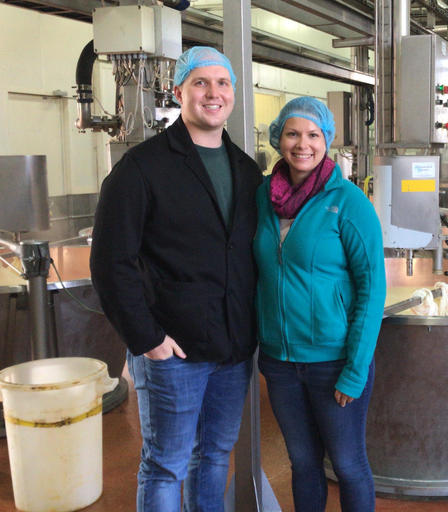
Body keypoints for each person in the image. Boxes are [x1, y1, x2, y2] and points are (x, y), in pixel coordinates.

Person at [89, 46, 262, 512]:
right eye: (200, 83)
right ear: (179, 91)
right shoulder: (141, 168)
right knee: (166, 464)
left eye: (222, 83)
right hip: (174, 350)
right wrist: (149, 340)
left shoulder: (247, 170)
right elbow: (110, 263)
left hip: (233, 347)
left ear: (232, 94)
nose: (213, 93)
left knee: (215, 456)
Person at [253, 97, 386, 512]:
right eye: (293, 133)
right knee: (303, 462)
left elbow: (372, 287)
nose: (302, 144)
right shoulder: (263, 198)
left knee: (347, 465)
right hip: (279, 361)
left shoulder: (347, 201)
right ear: (279, 138)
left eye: (313, 135)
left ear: (326, 140)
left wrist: (355, 369)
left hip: (333, 362)